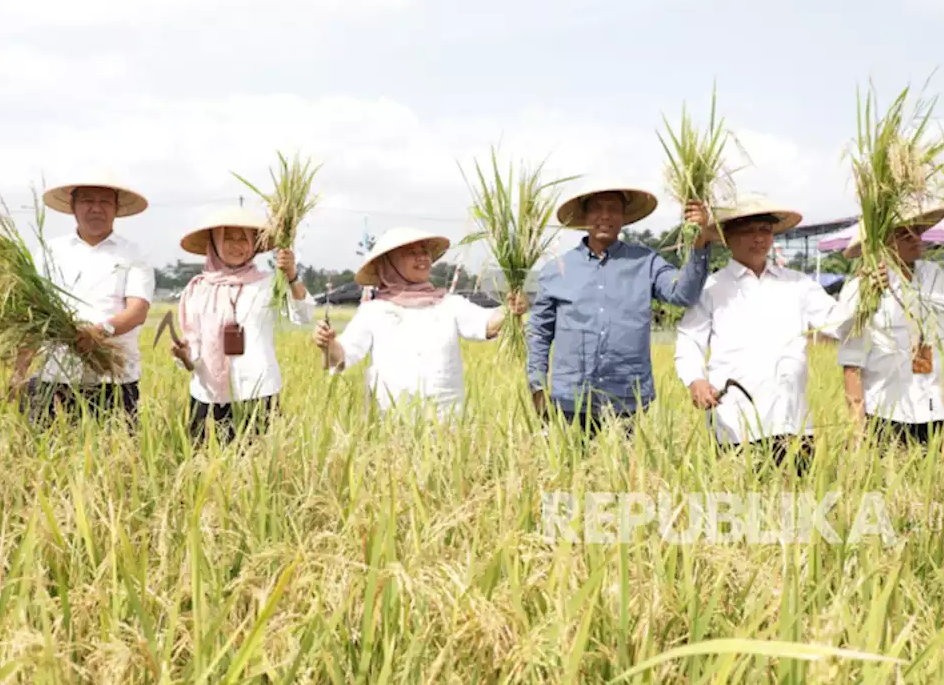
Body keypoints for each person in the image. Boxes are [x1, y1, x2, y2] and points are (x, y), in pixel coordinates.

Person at [526, 181, 715, 435]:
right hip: (569, 400)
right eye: (597, 209)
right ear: (584, 216)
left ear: (624, 217)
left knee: (627, 473)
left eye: (613, 209)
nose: (605, 216)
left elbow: (683, 293)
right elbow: (539, 332)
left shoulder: (645, 261)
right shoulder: (557, 270)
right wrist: (537, 386)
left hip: (627, 400)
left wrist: (699, 242)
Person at [675, 194, 841, 473]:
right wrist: (696, 381)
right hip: (735, 421)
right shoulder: (712, 288)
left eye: (765, 230)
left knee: (797, 505)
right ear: (727, 237)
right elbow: (689, 339)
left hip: (791, 419)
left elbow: (838, 322)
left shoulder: (797, 284)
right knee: (741, 505)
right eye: (748, 231)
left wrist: (868, 290)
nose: (758, 238)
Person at [312, 227, 528, 418]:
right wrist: (327, 344)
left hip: (445, 420)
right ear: (391, 263)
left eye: (424, 251)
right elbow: (343, 357)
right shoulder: (374, 311)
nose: (422, 258)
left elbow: (487, 323)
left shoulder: (448, 304)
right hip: (389, 421)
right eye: (411, 253)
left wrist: (512, 309)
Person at [833, 204, 944, 449]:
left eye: (917, 231)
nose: (915, 239)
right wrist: (858, 429)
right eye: (903, 233)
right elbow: (851, 362)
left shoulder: (933, 275)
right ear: (881, 241)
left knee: (939, 483)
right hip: (886, 414)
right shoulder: (863, 288)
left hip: (937, 410)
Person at [14, 171, 155, 427]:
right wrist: (19, 371)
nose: (96, 209)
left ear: (116, 208)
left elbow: (138, 311)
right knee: (51, 455)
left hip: (114, 377)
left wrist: (101, 332)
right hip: (55, 372)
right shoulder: (49, 252)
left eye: (104, 202)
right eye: (88, 201)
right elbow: (33, 316)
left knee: (117, 455)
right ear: (73, 206)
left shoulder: (133, 253)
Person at [169, 205, 313, 445]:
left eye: (243, 239)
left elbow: (303, 315)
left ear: (254, 244)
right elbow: (191, 349)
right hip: (208, 394)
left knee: (259, 472)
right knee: (207, 472)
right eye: (228, 238)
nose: (237, 246)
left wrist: (292, 276)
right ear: (213, 243)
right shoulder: (197, 288)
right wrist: (184, 356)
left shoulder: (269, 283)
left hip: (258, 392)